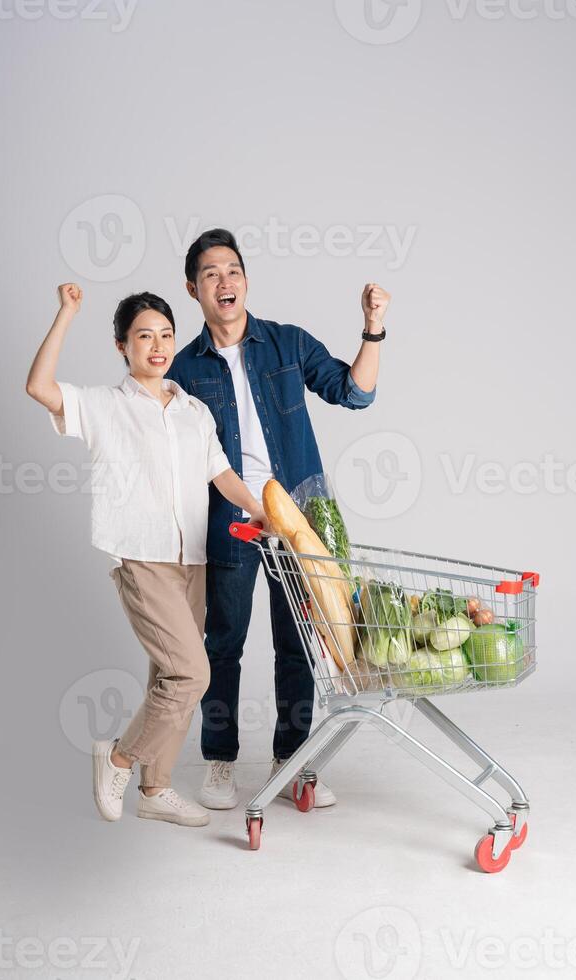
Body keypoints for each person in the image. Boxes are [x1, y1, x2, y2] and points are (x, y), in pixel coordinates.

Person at [26, 284, 269, 828]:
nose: (157, 346)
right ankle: (117, 757)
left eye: (165, 334)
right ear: (122, 346)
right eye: (144, 336)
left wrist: (260, 511)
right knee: (191, 674)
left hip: (194, 558)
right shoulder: (105, 406)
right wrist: (65, 312)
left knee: (167, 674)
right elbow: (39, 387)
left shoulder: (192, 410)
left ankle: (154, 790)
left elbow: (221, 473)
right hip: (141, 556)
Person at [166, 228, 390, 810]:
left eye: (234, 270)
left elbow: (355, 393)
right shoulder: (184, 368)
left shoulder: (286, 344)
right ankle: (218, 762)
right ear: (194, 289)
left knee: (298, 645)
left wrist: (373, 326)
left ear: (245, 281)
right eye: (212, 273)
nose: (226, 281)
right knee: (224, 644)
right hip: (230, 523)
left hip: (298, 522)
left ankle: (291, 760)